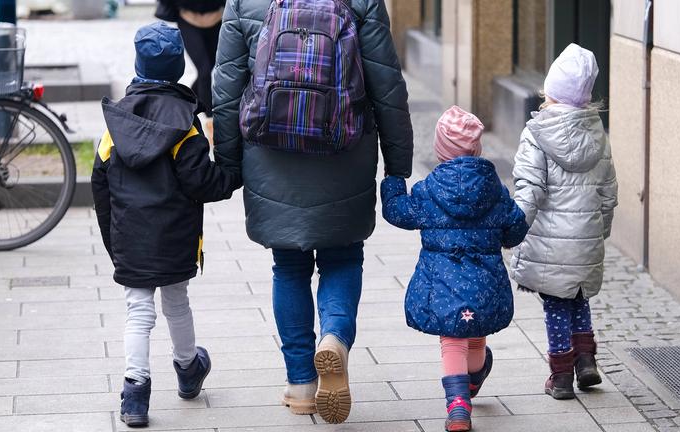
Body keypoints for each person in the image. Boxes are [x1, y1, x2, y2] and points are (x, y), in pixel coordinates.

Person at [211, 0, 413, 424]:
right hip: (345, 149)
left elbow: (227, 88)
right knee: (343, 257)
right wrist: (398, 165)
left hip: (271, 153)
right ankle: (334, 338)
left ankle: (301, 383)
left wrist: (228, 163)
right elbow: (387, 86)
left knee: (288, 267)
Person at [91, 22, 241, 428]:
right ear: (178, 69)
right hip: (175, 236)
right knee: (177, 303)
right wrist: (234, 175)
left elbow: (100, 189)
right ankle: (188, 368)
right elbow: (202, 182)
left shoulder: (114, 126)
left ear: (138, 65)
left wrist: (114, 241)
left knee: (138, 311)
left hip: (130, 237)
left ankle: (134, 393)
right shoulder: (184, 126)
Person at [381, 106, 529, 432]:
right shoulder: (494, 190)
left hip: (441, 282)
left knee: (452, 339)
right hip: (485, 283)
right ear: (477, 149)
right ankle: (473, 377)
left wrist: (393, 180)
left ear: (439, 150)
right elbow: (516, 228)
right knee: (475, 334)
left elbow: (397, 212)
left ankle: (458, 405)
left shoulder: (429, 190)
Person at [510, 43, 618, 400]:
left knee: (556, 305)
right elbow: (608, 192)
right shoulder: (598, 135)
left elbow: (529, 190)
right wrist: (600, 231)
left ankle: (560, 377)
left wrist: (513, 229)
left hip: (550, 244)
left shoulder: (537, 133)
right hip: (586, 239)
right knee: (579, 298)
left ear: (550, 92)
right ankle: (586, 362)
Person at [155, 0, 225, 121]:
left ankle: (187, 100)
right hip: (188, 20)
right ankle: (209, 118)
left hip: (217, 20)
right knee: (204, 71)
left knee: (207, 70)